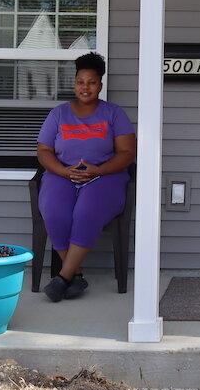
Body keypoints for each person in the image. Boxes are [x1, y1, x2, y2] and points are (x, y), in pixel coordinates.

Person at [36, 52, 136, 301]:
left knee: (86, 212)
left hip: (105, 176)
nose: (85, 87)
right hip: (62, 174)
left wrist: (99, 170)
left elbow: (127, 153)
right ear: (74, 84)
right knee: (55, 213)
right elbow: (44, 151)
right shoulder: (59, 114)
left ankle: (63, 276)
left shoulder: (113, 113)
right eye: (80, 82)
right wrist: (63, 171)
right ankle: (76, 275)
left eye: (92, 82)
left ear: (100, 86)